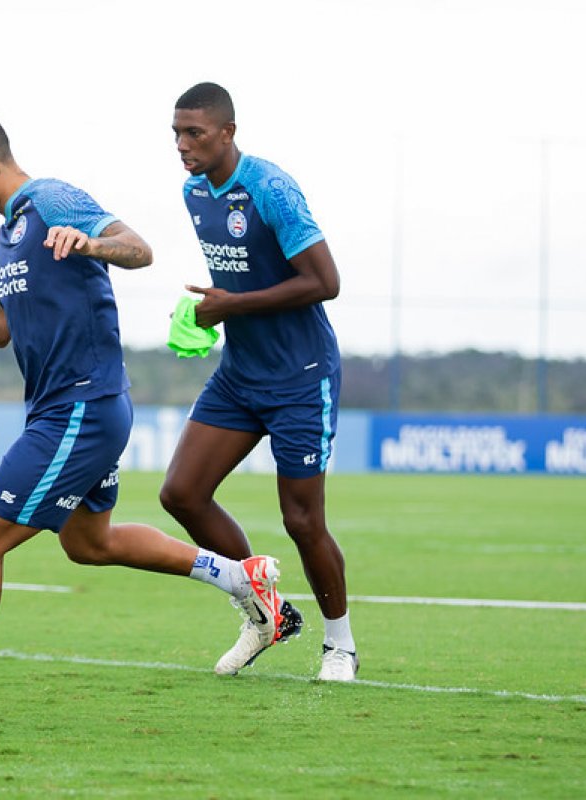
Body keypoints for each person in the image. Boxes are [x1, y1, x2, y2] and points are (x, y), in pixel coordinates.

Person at [0, 110, 285, 720]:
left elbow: (139, 249)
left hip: (81, 407)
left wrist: (93, 243)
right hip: (70, 410)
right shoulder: (7, 233)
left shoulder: (51, 199)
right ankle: (241, 578)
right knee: (89, 542)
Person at [161, 82, 357, 681]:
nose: (182, 144)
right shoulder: (195, 191)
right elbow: (242, 277)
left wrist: (232, 307)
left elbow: (325, 281)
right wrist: (208, 311)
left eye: (194, 132)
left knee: (302, 520)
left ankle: (340, 645)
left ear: (228, 132)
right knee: (182, 493)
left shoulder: (270, 188)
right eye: (176, 133)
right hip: (239, 375)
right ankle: (265, 610)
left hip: (300, 377)